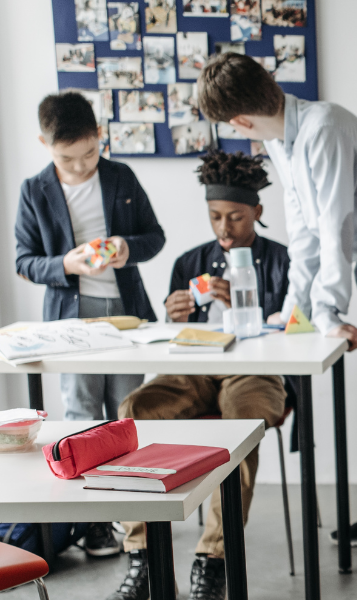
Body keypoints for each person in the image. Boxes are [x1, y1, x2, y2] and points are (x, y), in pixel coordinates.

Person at [196, 53, 357, 598]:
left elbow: (334, 222)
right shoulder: (281, 138)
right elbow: (305, 234)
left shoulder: (325, 127)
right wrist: (295, 311)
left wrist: (326, 311)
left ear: (238, 122)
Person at [105, 149, 289, 600]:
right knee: (135, 409)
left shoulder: (285, 261)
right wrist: (173, 315)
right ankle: (143, 554)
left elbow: (296, 330)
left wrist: (246, 307)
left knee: (241, 428)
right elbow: (168, 338)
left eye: (236, 217)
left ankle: (214, 559)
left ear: (257, 213)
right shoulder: (190, 262)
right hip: (195, 366)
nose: (225, 228)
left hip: (257, 369)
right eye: (215, 217)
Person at [15, 91, 165, 559]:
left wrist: (125, 247)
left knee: (126, 414)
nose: (80, 166)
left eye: (89, 153)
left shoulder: (121, 175)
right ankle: (94, 523)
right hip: (70, 321)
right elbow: (24, 261)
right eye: (67, 157)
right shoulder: (34, 189)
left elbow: (154, 237)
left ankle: (131, 517)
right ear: (44, 143)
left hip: (124, 316)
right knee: (81, 418)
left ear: (100, 136)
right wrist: (66, 264)